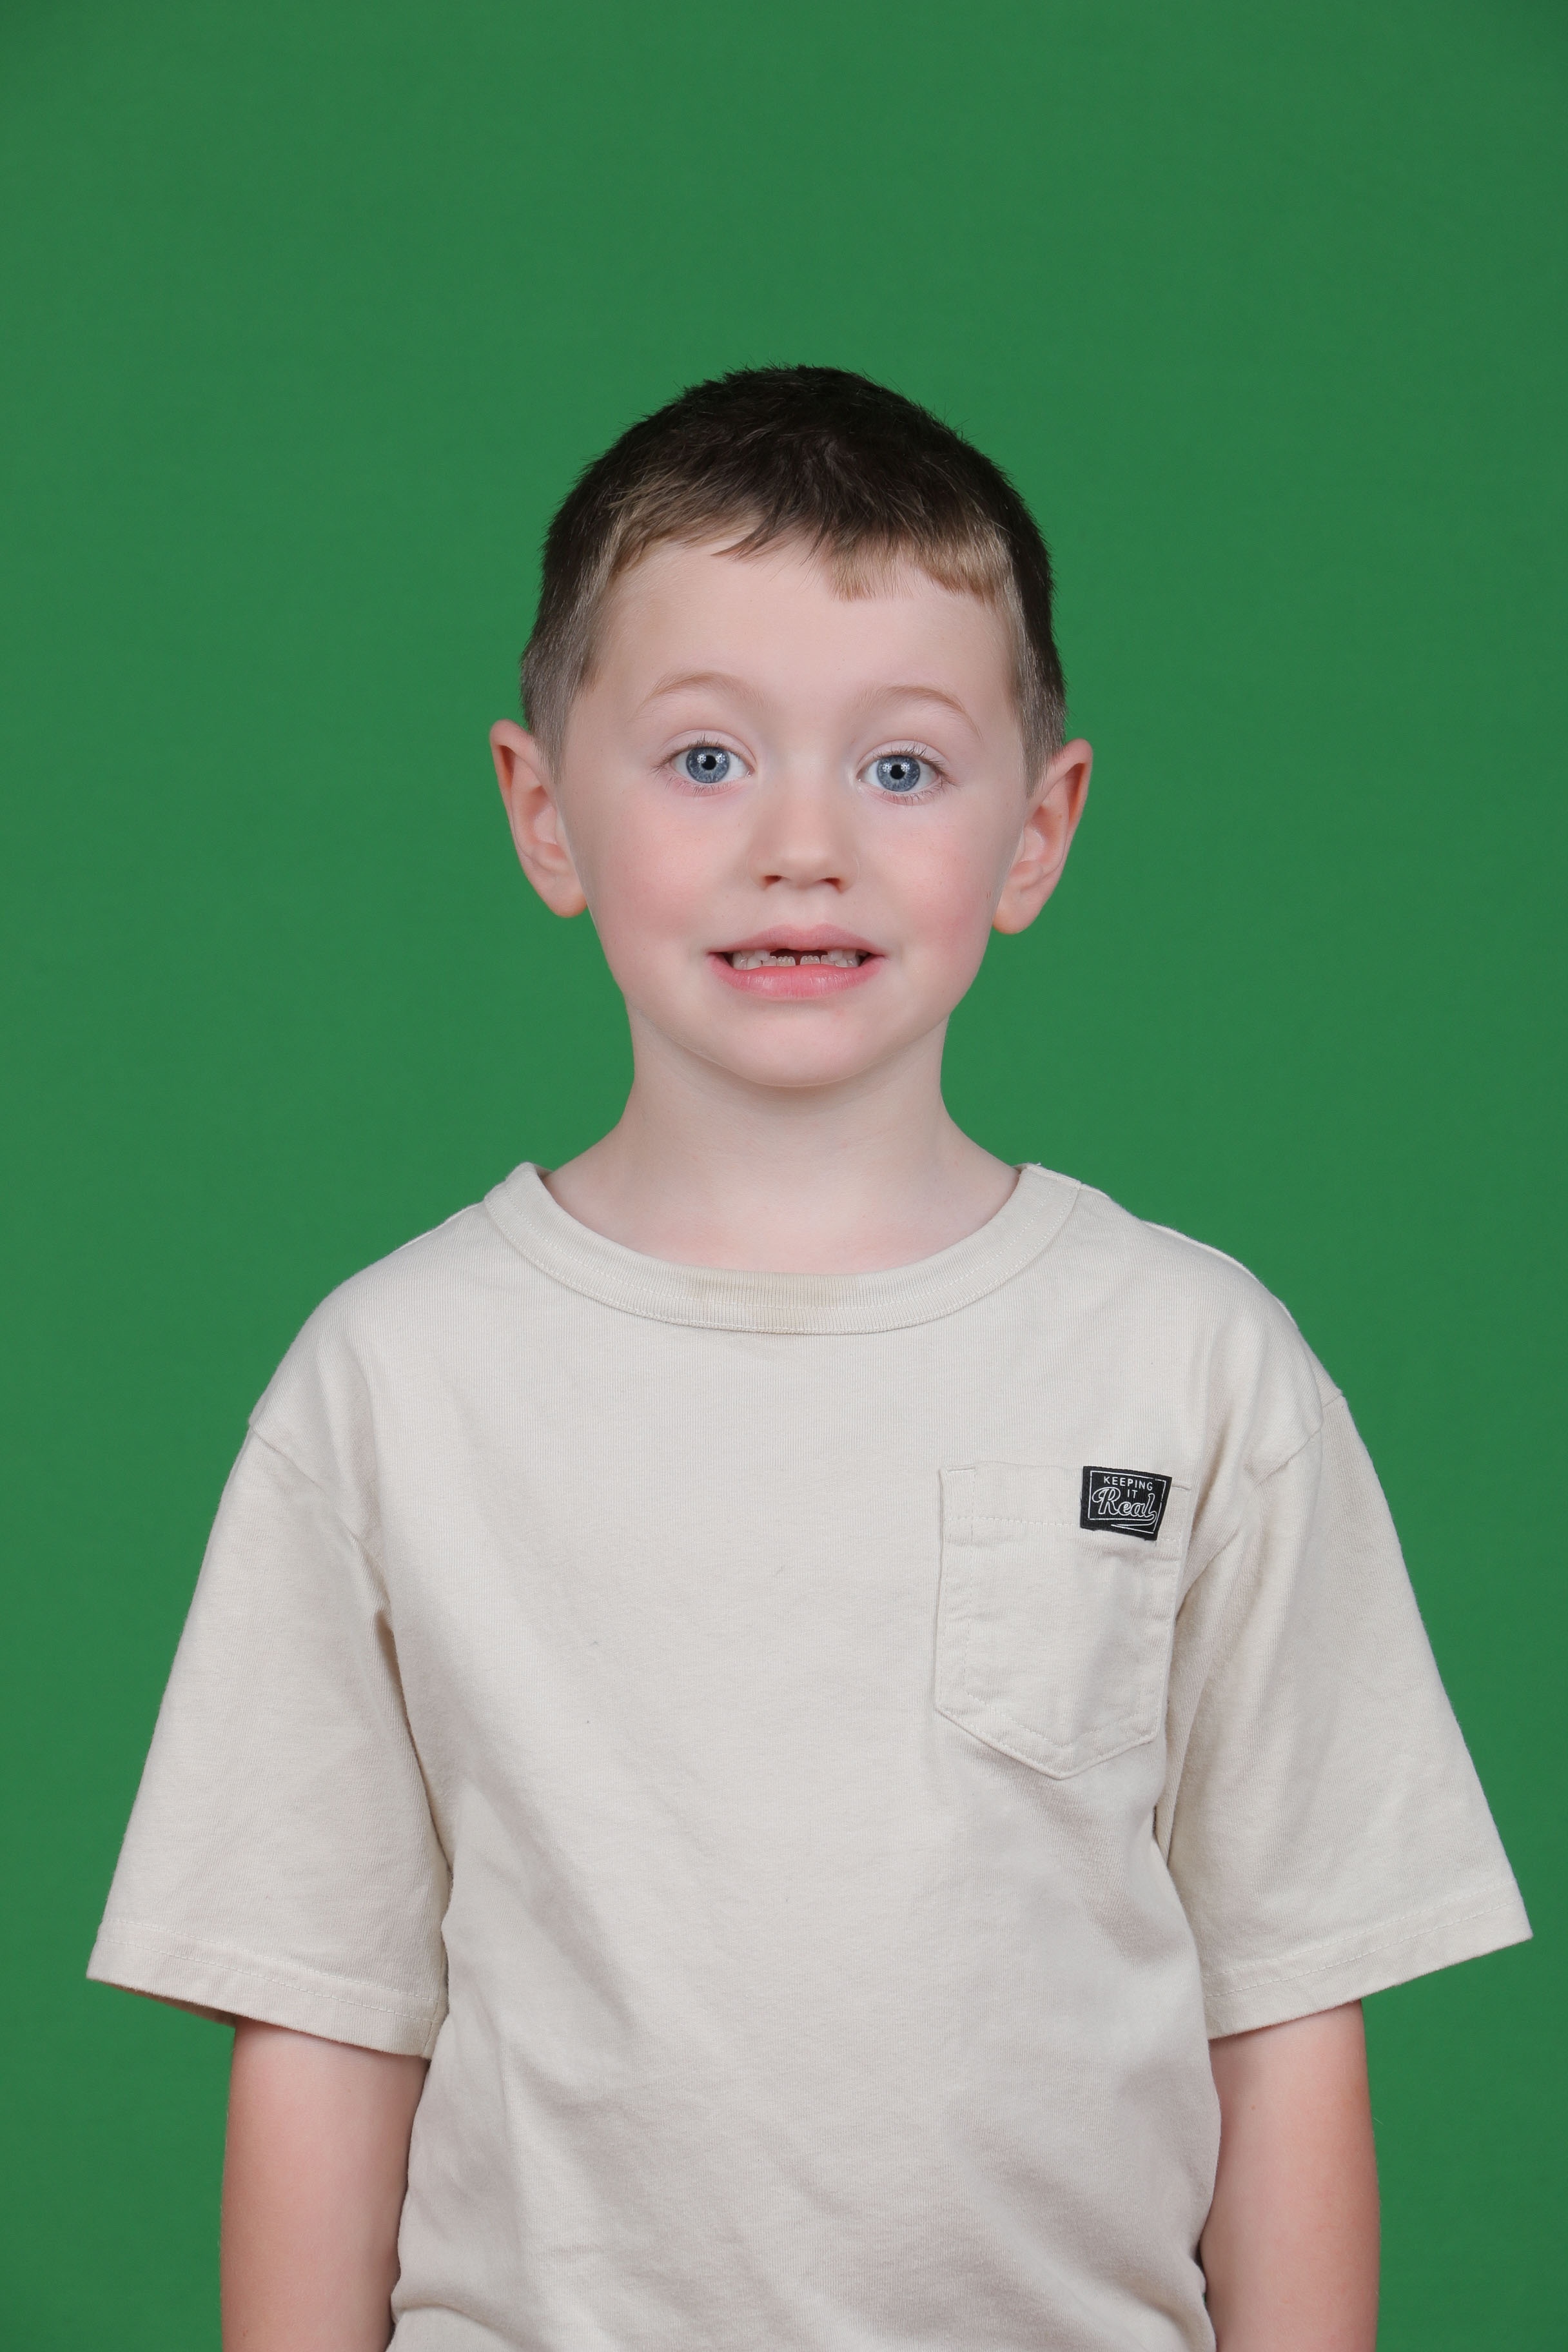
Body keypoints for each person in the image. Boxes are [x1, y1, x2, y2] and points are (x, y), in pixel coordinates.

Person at [90, 366, 1529, 2352]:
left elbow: (1284, 2009)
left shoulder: (1195, 1364)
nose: (803, 845)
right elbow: (326, 2020)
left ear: (1038, 831)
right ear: (542, 809)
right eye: (704, 758)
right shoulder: (394, 1385)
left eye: (904, 768)